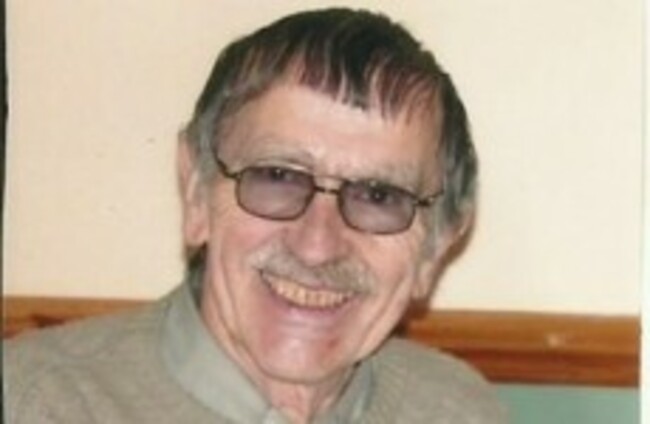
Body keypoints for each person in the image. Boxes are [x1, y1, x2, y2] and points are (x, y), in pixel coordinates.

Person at [5, 8, 506, 423]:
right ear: (197, 191)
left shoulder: (458, 411)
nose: (317, 245)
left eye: (378, 196)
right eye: (277, 176)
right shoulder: (33, 402)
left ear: (436, 244)